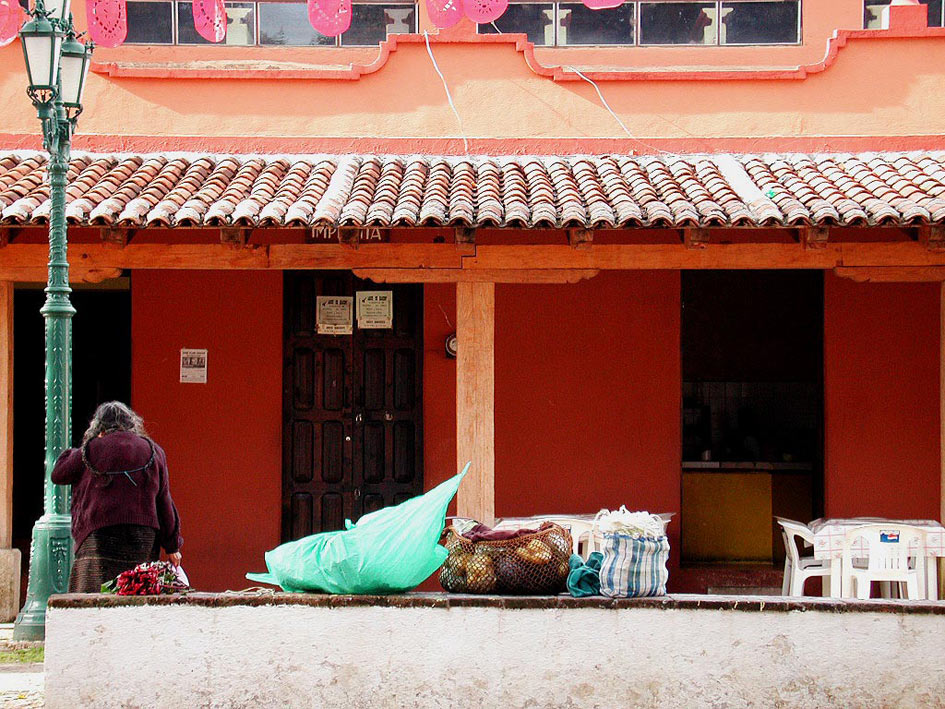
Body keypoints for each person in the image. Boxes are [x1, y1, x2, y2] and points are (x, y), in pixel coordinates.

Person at [51, 402, 183, 593]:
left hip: (97, 535)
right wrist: (172, 546)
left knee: (92, 598)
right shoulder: (153, 451)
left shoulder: (91, 449)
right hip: (142, 539)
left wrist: (85, 445)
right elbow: (164, 501)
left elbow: (59, 473)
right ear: (132, 424)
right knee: (135, 593)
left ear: (99, 427)